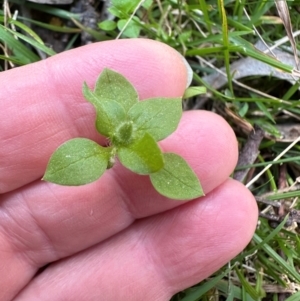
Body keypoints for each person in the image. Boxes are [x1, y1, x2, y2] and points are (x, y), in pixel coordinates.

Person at [0, 39, 258, 300]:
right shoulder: (111, 136)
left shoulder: (136, 143)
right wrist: (110, 153)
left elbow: (150, 154)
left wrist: (138, 156)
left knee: (171, 167)